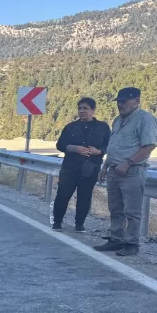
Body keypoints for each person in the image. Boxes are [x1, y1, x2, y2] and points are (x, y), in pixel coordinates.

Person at [95, 87, 157, 256]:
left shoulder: (145, 119)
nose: (120, 105)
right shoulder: (117, 120)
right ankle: (116, 239)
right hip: (114, 171)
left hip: (132, 172)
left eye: (124, 101)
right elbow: (113, 146)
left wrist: (128, 163)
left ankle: (131, 243)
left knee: (132, 210)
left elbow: (149, 145)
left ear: (137, 100)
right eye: (119, 102)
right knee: (115, 208)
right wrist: (105, 166)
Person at [52, 98, 110, 232]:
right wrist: (75, 148)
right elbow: (60, 145)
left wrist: (99, 151)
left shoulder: (103, 127)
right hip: (70, 168)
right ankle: (57, 222)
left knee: (85, 196)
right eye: (80, 108)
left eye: (85, 108)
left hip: (90, 168)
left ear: (93, 110)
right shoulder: (70, 127)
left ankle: (79, 225)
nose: (82, 111)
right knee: (63, 194)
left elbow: (109, 145)